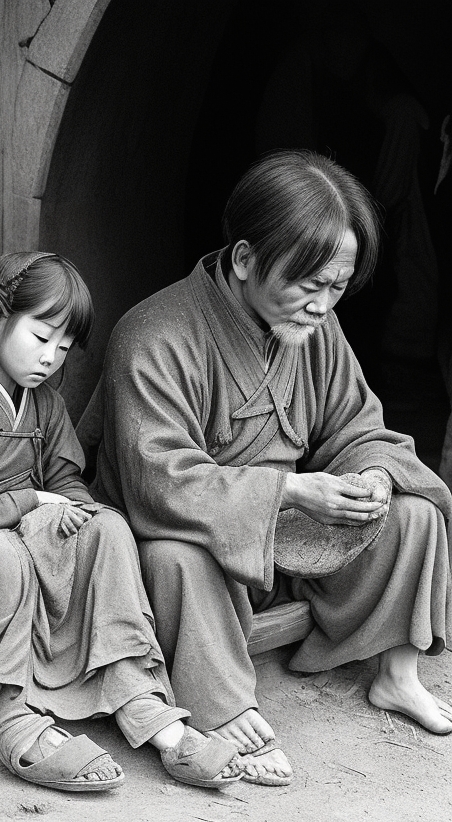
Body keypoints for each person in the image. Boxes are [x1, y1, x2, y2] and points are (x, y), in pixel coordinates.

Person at [82, 150, 452, 788]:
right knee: (175, 556)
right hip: (184, 547)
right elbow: (158, 482)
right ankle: (225, 708)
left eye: (336, 288)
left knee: (412, 512)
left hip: (280, 542)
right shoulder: (153, 335)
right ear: (246, 258)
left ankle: (396, 675)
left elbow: (357, 426)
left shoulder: (318, 329)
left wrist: (372, 476)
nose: (320, 306)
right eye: (307, 286)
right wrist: (289, 488)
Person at [0, 251, 247, 792]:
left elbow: (66, 484)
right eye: (41, 336)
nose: (52, 357)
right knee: (4, 551)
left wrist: (74, 514)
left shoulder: (44, 406)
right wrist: (26, 506)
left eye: (65, 347)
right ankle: (12, 719)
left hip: (19, 550)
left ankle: (139, 700)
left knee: (109, 526)